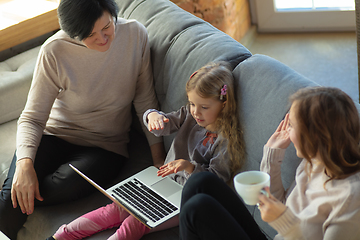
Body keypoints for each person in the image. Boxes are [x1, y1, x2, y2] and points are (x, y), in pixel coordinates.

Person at [0, 0, 166, 239]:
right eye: (90, 35)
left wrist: (158, 159)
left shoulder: (135, 35)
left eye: (107, 26)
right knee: (12, 200)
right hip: (53, 134)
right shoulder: (54, 50)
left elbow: (145, 101)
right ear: (74, 35)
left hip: (105, 146)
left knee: (53, 188)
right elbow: (33, 117)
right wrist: (25, 165)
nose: (103, 38)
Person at [46, 61, 246, 240]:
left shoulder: (224, 141)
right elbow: (165, 122)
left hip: (185, 198)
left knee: (137, 222)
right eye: (192, 103)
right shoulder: (188, 116)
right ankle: (61, 236)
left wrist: (188, 167)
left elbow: (216, 182)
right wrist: (152, 116)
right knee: (115, 209)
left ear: (224, 104)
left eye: (203, 107)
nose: (195, 111)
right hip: (160, 180)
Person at [179, 86, 360, 240]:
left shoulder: (351, 199)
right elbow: (281, 205)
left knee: (197, 208)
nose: (287, 131)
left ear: (315, 137)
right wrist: (272, 156)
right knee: (200, 181)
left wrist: (284, 220)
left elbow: (285, 219)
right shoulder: (313, 163)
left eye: (292, 125)